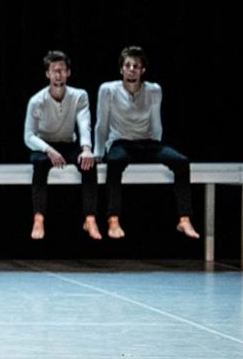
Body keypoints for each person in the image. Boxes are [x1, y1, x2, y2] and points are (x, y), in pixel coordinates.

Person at [93, 46, 200, 240]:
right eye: (127, 65)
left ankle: (184, 219)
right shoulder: (108, 90)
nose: (132, 69)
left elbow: (156, 122)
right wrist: (99, 153)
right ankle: (113, 219)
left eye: (136, 66)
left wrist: (158, 151)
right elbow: (102, 123)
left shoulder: (153, 90)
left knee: (181, 161)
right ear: (121, 69)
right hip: (120, 142)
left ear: (143, 70)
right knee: (115, 162)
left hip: (148, 143)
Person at [23, 50, 101, 240]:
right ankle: (38, 218)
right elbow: (29, 136)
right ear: (48, 74)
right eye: (54, 70)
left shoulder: (79, 95)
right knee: (40, 165)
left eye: (62, 70)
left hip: (67, 143)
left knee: (89, 164)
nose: (58, 74)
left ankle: (90, 218)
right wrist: (49, 150)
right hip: (44, 145)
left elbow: (84, 123)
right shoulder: (37, 100)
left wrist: (86, 149)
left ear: (68, 73)